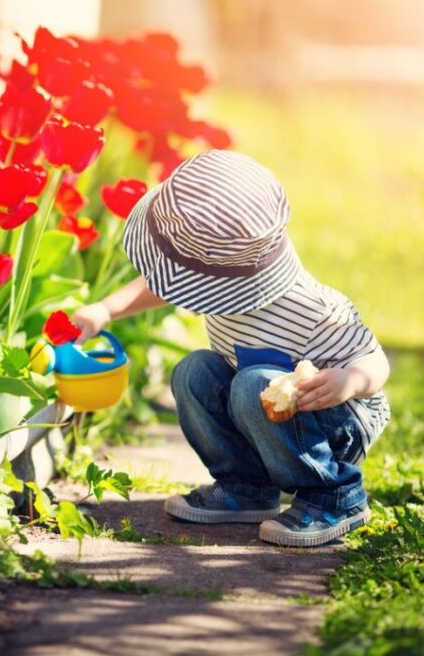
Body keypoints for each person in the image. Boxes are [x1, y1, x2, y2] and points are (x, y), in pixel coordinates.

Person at [71, 150, 390, 547]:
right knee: (194, 371)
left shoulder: (311, 308)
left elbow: (374, 360)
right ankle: (246, 487)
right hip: (259, 410)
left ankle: (337, 495)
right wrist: (105, 309)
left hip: (337, 419)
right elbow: (164, 284)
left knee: (252, 384)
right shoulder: (219, 277)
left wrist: (349, 380)